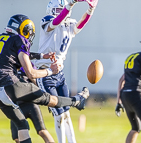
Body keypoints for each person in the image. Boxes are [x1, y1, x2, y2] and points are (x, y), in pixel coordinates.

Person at [0, 14, 89, 143]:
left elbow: (12, 58)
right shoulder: (19, 40)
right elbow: (31, 73)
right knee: (50, 99)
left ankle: (76, 101)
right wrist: (50, 71)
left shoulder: (0, 38)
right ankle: (77, 101)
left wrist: (42, 56)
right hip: (10, 85)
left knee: (22, 126)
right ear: (24, 29)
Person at [34, 0, 98, 142]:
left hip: (59, 74)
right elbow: (56, 22)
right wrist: (71, 4)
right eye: (58, 10)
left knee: (66, 113)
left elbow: (81, 24)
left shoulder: (69, 24)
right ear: (51, 10)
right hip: (46, 74)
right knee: (59, 114)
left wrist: (90, 10)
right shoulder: (47, 21)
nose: (63, 13)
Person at [0, 54, 55, 143]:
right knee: (18, 137)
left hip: (28, 105)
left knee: (41, 131)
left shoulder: (26, 67)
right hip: (17, 106)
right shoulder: (7, 70)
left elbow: (37, 84)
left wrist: (49, 101)